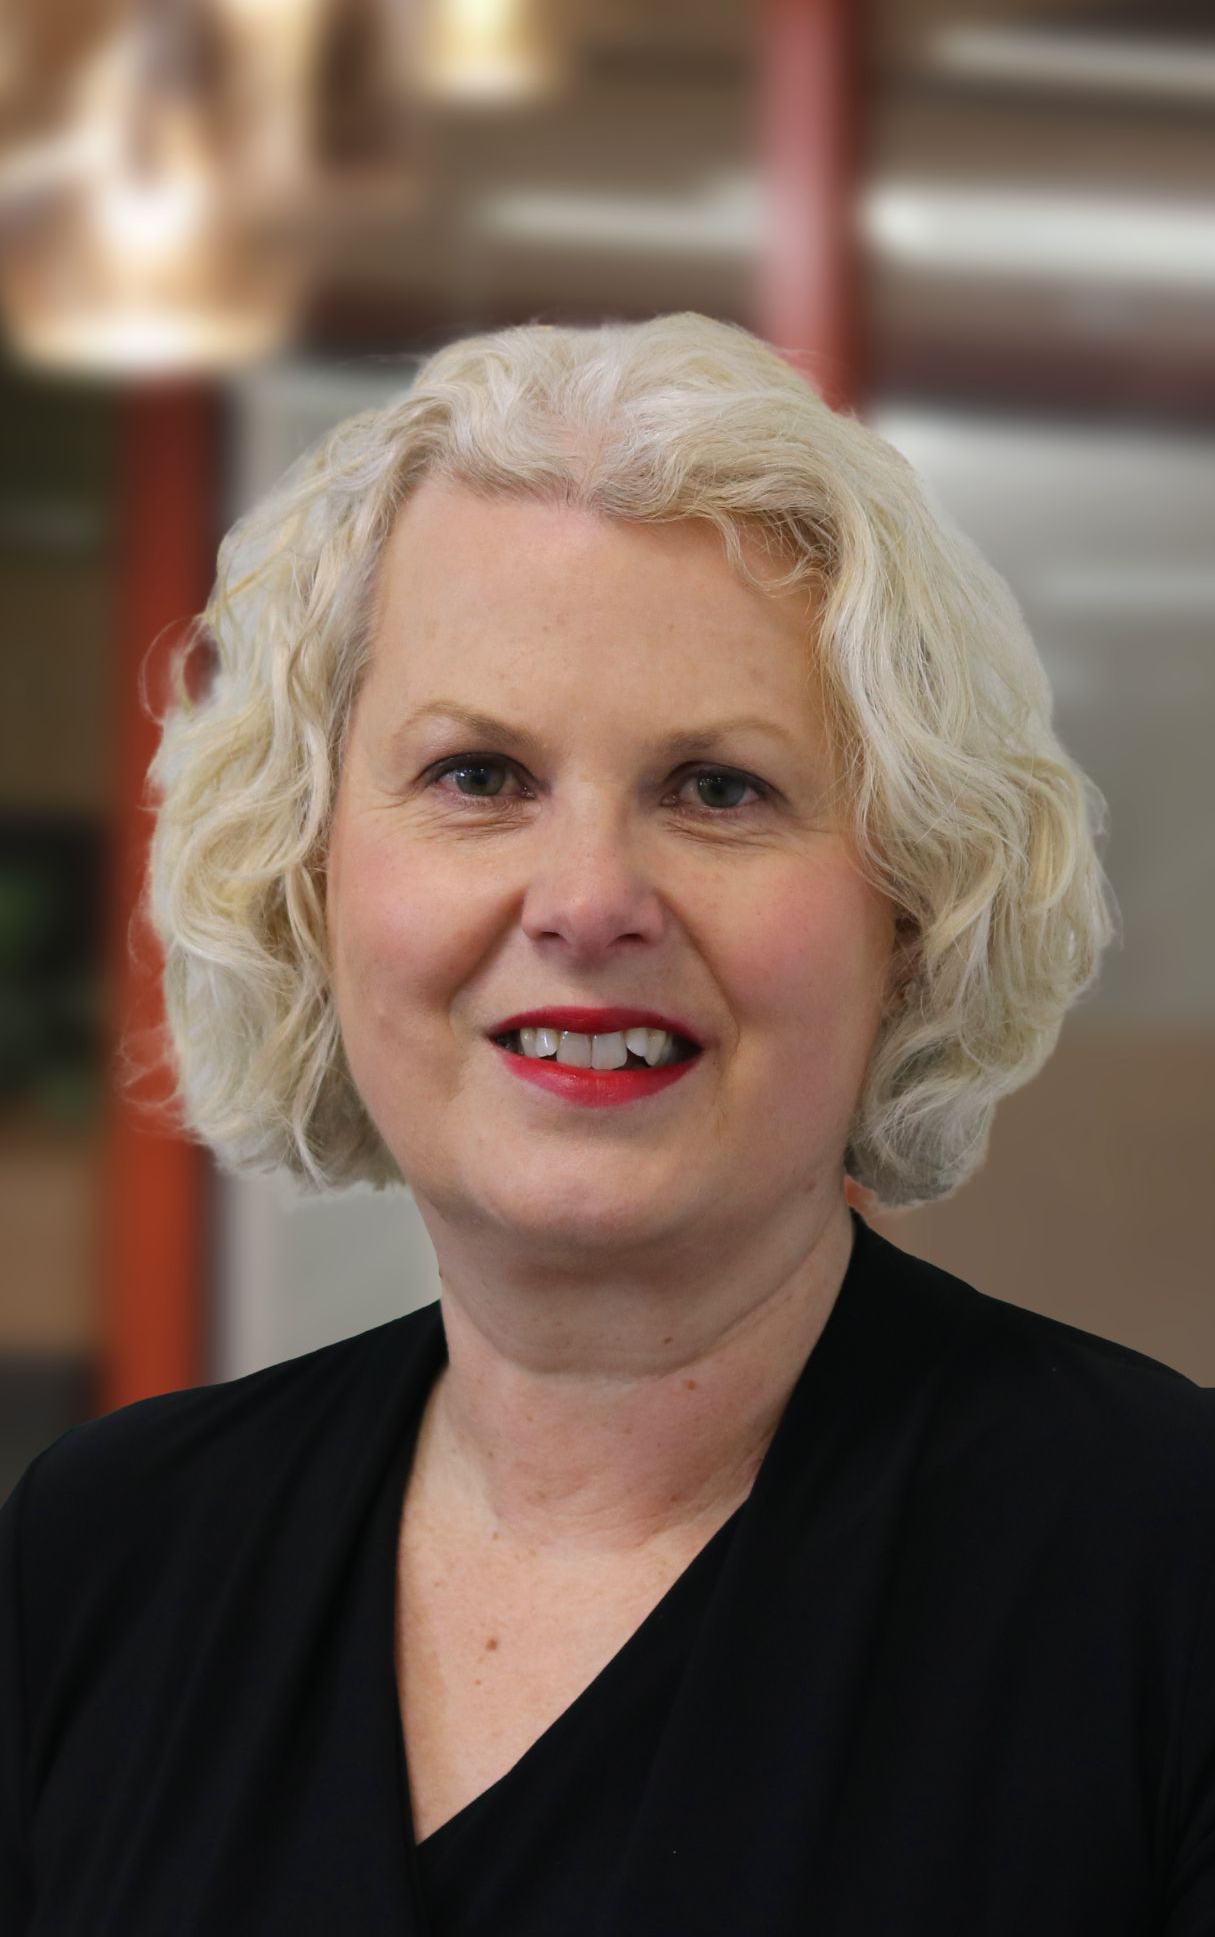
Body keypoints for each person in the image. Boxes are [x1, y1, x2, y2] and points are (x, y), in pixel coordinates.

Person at [1, 312, 1210, 1937]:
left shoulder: (1169, 1574)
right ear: (309, 873)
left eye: (719, 788)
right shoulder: (107, 1553)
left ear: (909, 909)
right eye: (478, 775)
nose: (587, 904)